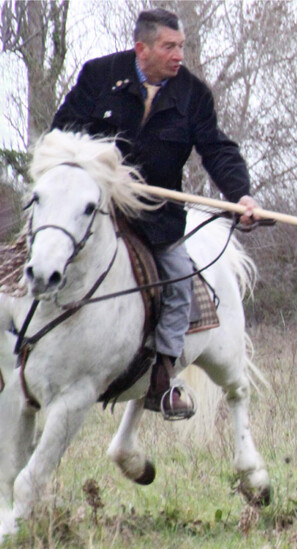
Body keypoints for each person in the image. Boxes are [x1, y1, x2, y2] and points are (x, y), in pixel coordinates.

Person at [51, 8, 259, 420]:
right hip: (93, 209)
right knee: (37, 260)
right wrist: (95, 169)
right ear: (141, 49)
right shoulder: (99, 76)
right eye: (169, 47)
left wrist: (242, 195)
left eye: (181, 46)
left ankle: (162, 379)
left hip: (157, 219)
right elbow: (62, 132)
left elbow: (217, 149)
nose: (179, 55)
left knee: (180, 284)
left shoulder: (193, 95)